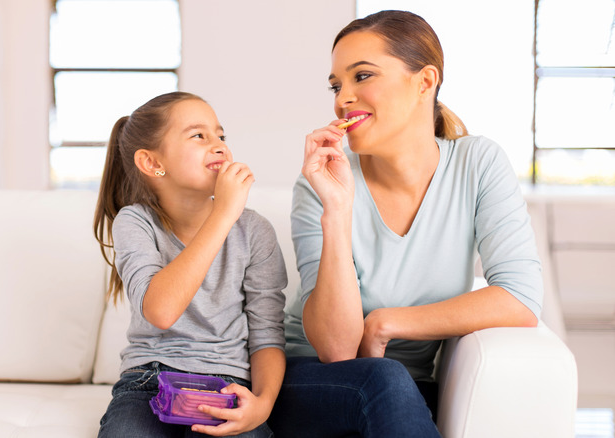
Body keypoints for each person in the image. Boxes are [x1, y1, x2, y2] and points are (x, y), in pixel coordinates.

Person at [268, 10, 543, 437]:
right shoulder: (322, 183)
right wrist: (338, 210)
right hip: (310, 379)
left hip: (405, 392)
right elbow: (338, 350)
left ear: (424, 81)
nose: (343, 98)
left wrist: (386, 322)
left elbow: (519, 298)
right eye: (337, 85)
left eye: (362, 77)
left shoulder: (478, 163)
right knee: (384, 379)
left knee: (392, 382)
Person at [94, 91, 288, 437]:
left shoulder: (254, 231)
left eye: (221, 135)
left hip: (227, 386)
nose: (219, 145)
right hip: (147, 382)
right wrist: (224, 213)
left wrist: (264, 404)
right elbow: (161, 311)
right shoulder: (135, 222)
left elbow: (266, 335)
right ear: (153, 163)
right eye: (199, 135)